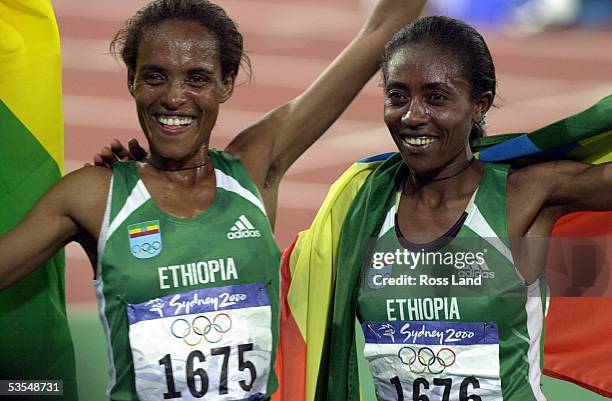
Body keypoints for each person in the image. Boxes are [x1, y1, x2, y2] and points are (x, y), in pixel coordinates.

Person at [0, 1, 427, 400]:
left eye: (197, 78)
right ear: (131, 80)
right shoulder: (94, 195)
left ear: (226, 84)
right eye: (154, 76)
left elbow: (381, 29)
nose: (173, 97)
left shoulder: (255, 169)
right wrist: (27, 389)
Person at [276, 16, 612, 401]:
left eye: (436, 97)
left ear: (479, 105)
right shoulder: (362, 204)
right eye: (398, 96)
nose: (412, 116)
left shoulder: (525, 195)